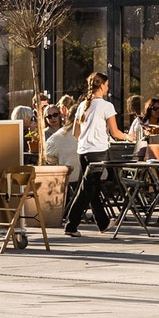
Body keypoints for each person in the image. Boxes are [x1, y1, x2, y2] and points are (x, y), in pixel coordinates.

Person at [63, 72, 129, 237]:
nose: (108, 88)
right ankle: (71, 224)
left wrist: (87, 139)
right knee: (87, 188)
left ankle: (103, 222)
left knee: (92, 187)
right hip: (98, 152)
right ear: (101, 85)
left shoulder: (82, 105)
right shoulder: (106, 106)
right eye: (106, 85)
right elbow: (115, 132)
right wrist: (130, 137)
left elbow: (75, 133)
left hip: (83, 151)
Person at [42, 102, 81, 205]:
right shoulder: (47, 134)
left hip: (70, 175)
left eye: (55, 115)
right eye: (49, 116)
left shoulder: (59, 135)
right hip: (96, 175)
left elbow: (47, 155)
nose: (52, 118)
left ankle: (69, 211)